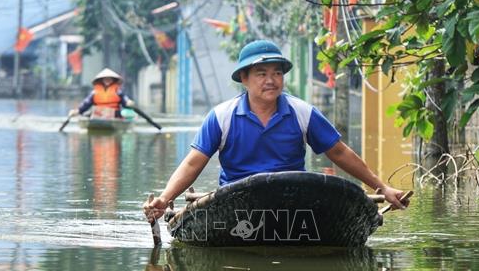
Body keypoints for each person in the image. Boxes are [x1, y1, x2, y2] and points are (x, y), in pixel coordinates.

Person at [144, 39, 409, 222]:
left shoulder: (302, 112)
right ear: (244, 79)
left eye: (277, 73)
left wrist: (382, 187)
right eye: (261, 73)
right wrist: (165, 199)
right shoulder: (221, 117)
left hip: (293, 200)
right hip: (236, 202)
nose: (271, 80)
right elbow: (193, 163)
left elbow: (339, 153)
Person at [69, 68, 135, 119]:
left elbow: (124, 99)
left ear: (113, 80)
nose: (107, 80)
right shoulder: (94, 93)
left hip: (114, 114)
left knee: (128, 113)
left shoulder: (117, 91)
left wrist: (128, 102)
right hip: (99, 114)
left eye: (109, 79)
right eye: (105, 79)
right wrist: (77, 111)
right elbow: (86, 103)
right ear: (101, 80)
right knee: (85, 114)